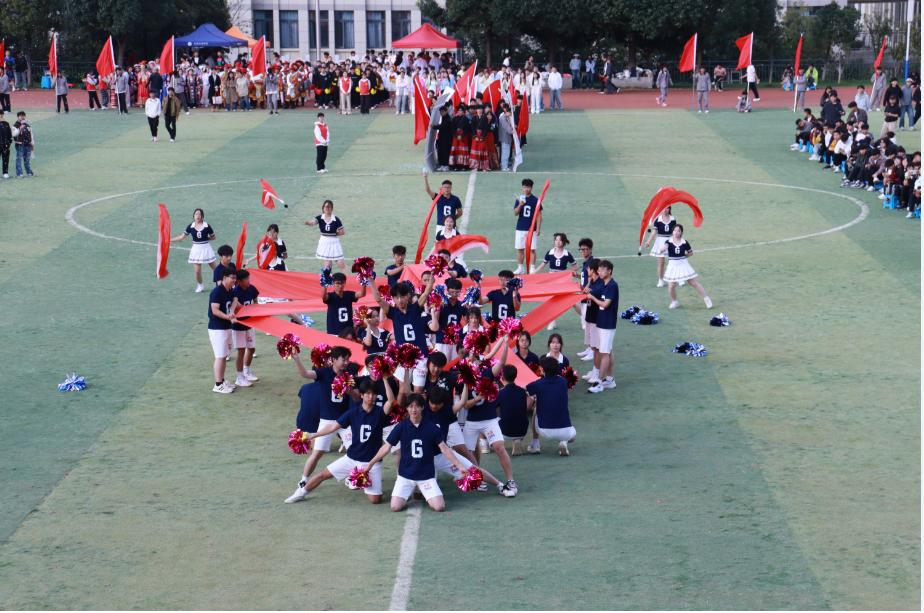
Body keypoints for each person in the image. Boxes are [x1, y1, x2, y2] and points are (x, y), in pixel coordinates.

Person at [285, 378, 396, 504]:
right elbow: (333, 427)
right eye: (368, 394)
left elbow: (391, 401)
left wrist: (385, 378)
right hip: (352, 458)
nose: (371, 397)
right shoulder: (353, 413)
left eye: (374, 394)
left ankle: (356, 478)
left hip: (372, 462)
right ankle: (301, 492)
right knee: (323, 475)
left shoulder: (380, 413)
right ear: (361, 395)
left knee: (375, 500)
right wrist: (312, 435)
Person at [362, 394, 469, 512]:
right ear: (407, 408)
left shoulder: (432, 427)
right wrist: (370, 464)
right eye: (411, 406)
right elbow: (386, 447)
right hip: (406, 476)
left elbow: (445, 449)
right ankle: (409, 493)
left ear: (422, 407)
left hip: (426, 476)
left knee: (439, 507)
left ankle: (420, 492)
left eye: (417, 406)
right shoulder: (401, 426)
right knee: (395, 507)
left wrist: (460, 466)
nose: (414, 409)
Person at [285, 346, 356, 502]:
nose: (346, 362)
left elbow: (356, 397)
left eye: (347, 359)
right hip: (327, 419)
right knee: (317, 453)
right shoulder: (324, 372)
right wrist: (296, 359)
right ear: (333, 360)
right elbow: (305, 374)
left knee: (354, 452)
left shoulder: (349, 375)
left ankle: (354, 477)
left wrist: (351, 391)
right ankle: (303, 480)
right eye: (343, 359)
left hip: (345, 421)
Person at [371, 276, 436, 391]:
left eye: (402, 296)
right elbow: (378, 299)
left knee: (417, 390)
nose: (400, 300)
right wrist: (371, 280)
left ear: (408, 296)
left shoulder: (415, 308)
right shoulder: (393, 312)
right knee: (403, 391)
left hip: (420, 355)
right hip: (403, 357)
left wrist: (431, 281)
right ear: (393, 298)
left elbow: (426, 293)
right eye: (396, 297)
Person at [526, 357, 576, 456]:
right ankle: (564, 441)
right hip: (565, 431)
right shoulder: (564, 382)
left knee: (535, 409)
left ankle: (535, 443)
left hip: (544, 430)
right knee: (572, 437)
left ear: (542, 369)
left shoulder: (538, 384)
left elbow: (527, 389)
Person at [658, 224, 713, 310]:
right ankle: (674, 301)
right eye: (675, 230)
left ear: (681, 232)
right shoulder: (668, 242)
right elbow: (664, 247)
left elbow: (690, 253)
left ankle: (707, 299)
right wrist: (662, 249)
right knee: (671, 285)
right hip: (672, 265)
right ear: (672, 232)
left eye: (678, 231)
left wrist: (684, 256)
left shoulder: (684, 242)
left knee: (693, 283)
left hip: (683, 264)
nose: (676, 232)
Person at [584, 260, 618, 393]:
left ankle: (599, 382)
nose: (600, 272)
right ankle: (609, 380)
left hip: (607, 324)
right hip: (602, 323)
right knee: (608, 351)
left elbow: (605, 304)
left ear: (609, 271)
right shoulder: (604, 284)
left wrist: (592, 298)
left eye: (603, 269)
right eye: (599, 269)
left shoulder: (612, 286)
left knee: (604, 353)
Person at [170, 208, 217, 292]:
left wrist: (205, 238)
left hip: (206, 248)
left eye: (199, 214)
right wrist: (170, 240)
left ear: (202, 216)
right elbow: (182, 237)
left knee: (216, 269)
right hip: (196, 249)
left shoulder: (207, 226)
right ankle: (200, 285)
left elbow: (213, 237)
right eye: (196, 214)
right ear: (193, 216)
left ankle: (222, 282)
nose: (198, 216)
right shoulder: (190, 226)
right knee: (197, 271)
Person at [207, 268, 238, 394]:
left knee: (224, 355)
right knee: (220, 356)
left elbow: (234, 301)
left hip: (226, 327)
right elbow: (214, 310)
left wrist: (232, 311)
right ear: (225, 277)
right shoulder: (217, 292)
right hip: (217, 328)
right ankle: (218, 384)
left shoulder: (229, 290)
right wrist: (228, 317)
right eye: (232, 278)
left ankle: (222, 380)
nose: (234, 280)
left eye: (235, 278)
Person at [230, 268, 260, 387]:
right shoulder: (235, 292)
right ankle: (239, 377)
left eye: (249, 278)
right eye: (246, 279)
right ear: (239, 281)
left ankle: (246, 371)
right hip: (238, 325)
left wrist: (257, 310)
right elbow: (234, 308)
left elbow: (256, 300)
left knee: (252, 349)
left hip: (249, 323)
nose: (249, 280)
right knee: (241, 351)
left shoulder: (251, 288)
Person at [304, 199, 346, 271]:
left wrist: (335, 233)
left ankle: (348, 277)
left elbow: (342, 232)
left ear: (332, 208)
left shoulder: (336, 219)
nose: (327, 208)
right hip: (324, 242)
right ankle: (327, 278)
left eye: (329, 207)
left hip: (334, 242)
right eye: (326, 206)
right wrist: (308, 223)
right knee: (327, 265)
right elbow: (312, 222)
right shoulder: (320, 218)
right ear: (323, 208)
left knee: (341, 263)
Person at [643, 206, 676, 287]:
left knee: (674, 261)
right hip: (660, 241)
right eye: (664, 208)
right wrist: (648, 241)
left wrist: (676, 242)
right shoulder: (658, 219)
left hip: (670, 241)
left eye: (667, 208)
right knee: (661, 263)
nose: (665, 210)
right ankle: (661, 280)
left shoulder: (673, 219)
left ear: (669, 209)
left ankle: (677, 278)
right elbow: (654, 232)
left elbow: (675, 232)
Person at [513, 178, 539, 274]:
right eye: (524, 187)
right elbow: (515, 213)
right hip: (520, 228)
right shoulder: (519, 199)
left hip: (532, 229)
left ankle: (532, 268)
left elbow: (539, 215)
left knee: (532, 249)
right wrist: (520, 205)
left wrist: (538, 228)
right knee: (520, 248)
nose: (526, 189)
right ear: (522, 188)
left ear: (531, 188)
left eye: (528, 187)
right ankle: (520, 268)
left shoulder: (535, 200)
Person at [13, 111, 34, 178]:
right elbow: (13, 134)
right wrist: (19, 129)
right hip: (20, 144)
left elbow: (31, 134)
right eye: (21, 116)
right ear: (18, 117)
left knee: (27, 160)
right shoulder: (15, 125)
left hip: (28, 144)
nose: (22, 117)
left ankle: (29, 172)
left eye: (23, 116)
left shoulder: (27, 125)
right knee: (19, 159)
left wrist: (32, 143)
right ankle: (19, 173)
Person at [432, 105, 453, 170]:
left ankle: (446, 165)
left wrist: (434, 126)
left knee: (445, 152)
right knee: (441, 151)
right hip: (442, 138)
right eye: (440, 112)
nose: (441, 113)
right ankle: (442, 164)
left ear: (446, 111)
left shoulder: (448, 119)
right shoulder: (444, 118)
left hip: (447, 139)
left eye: (443, 112)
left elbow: (442, 126)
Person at [0, 111, 11, 179]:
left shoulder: (6, 124)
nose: (1, 116)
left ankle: (5, 173)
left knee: (6, 160)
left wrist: (9, 143)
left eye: (1, 114)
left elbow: (9, 134)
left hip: (5, 145)